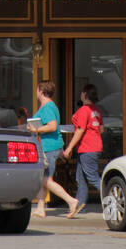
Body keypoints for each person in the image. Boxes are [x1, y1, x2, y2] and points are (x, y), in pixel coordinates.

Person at [27, 80, 79, 217]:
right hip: (49, 146)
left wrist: (36, 129)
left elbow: (53, 126)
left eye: (37, 89)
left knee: (46, 180)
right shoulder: (48, 106)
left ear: (41, 91)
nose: (36, 92)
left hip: (50, 147)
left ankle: (71, 201)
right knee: (43, 178)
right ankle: (40, 208)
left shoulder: (48, 107)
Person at [63, 83, 104, 218]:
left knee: (92, 177)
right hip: (94, 146)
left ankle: (112, 199)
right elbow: (101, 129)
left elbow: (80, 130)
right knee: (81, 178)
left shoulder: (83, 110)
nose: (80, 94)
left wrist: (68, 148)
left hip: (87, 148)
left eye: (81, 92)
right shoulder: (96, 110)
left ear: (85, 95)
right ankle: (79, 205)